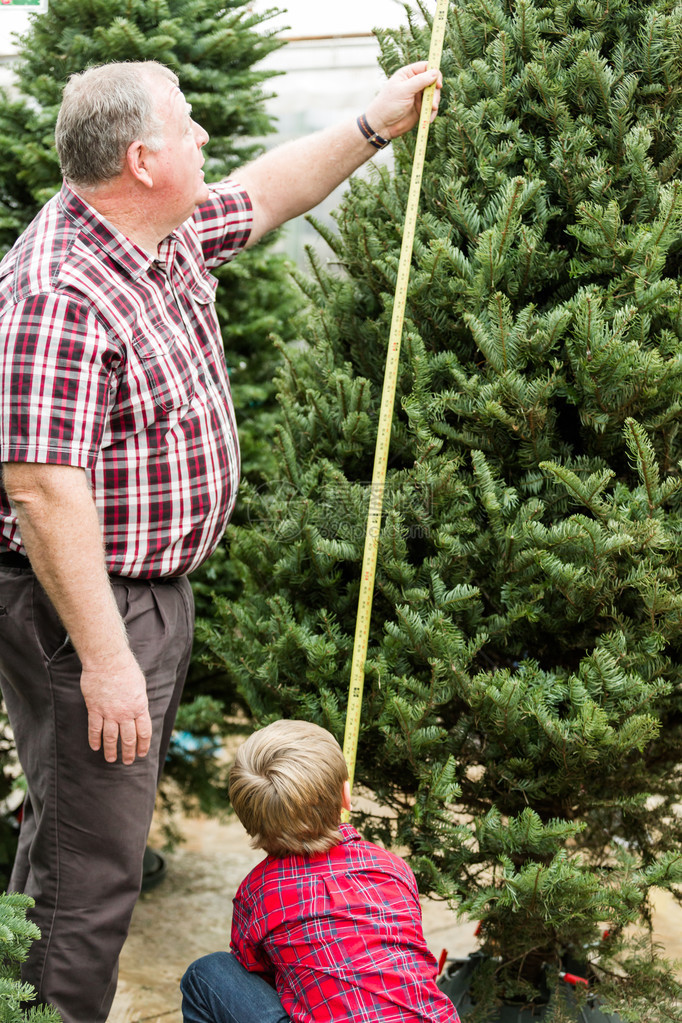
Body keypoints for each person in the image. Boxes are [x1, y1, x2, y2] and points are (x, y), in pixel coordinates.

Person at [0, 57, 442, 1022]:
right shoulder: (57, 292)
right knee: (93, 873)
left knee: (75, 831)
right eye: (189, 124)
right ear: (143, 157)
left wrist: (374, 125)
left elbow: (268, 192)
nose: (207, 137)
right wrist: (108, 660)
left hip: (146, 593)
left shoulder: (158, 230)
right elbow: (39, 488)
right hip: (89, 610)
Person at [181, 720, 459, 1023]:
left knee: (207, 973)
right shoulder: (392, 867)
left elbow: (256, 973)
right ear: (346, 797)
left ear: (249, 822)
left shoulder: (257, 892)